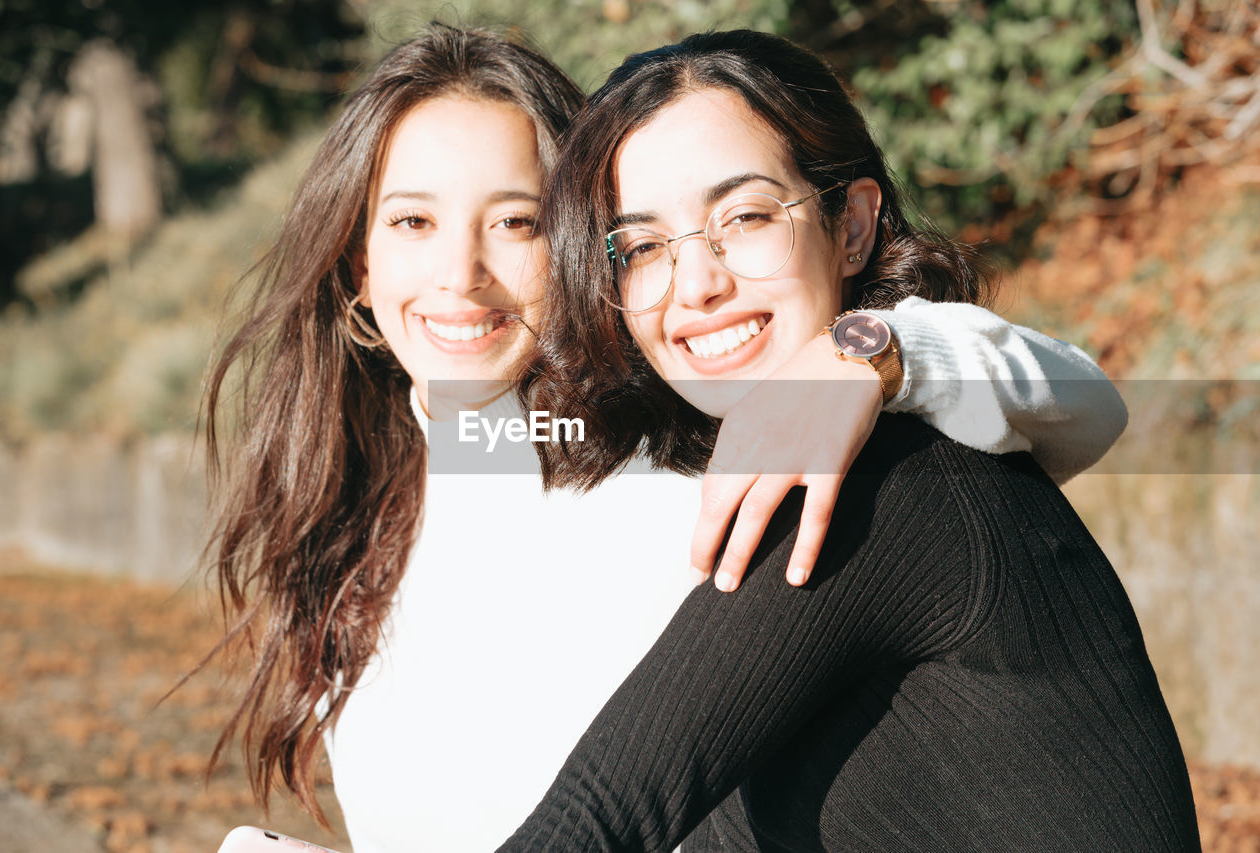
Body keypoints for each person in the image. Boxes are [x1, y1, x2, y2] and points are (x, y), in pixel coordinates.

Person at [201, 25, 1132, 852]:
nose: (459, 273)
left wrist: (878, 350)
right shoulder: (368, 514)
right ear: (359, 264)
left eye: (517, 222)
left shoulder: (686, 454)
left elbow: (1081, 403)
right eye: (412, 221)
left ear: (574, 246)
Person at [499, 29, 1199, 852]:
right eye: (645, 246)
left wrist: (871, 352)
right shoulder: (793, 480)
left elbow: (598, 818)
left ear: (853, 225)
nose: (697, 283)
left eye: (747, 216)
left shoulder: (890, 481)